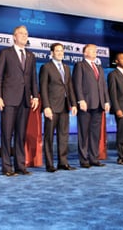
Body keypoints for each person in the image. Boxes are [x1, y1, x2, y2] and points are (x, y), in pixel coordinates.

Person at [0, 25, 39, 176]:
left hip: (25, 100)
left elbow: (33, 78)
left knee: (21, 134)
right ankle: (7, 167)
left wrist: (36, 96)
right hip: (8, 99)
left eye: (26, 34)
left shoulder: (31, 56)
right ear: (14, 36)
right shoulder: (6, 53)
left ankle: (20, 166)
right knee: (7, 134)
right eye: (21, 34)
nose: (24, 36)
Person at [39, 43, 78, 172]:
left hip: (65, 107)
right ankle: (50, 164)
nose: (60, 53)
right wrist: (46, 106)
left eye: (62, 51)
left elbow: (70, 87)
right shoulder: (46, 67)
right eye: (57, 51)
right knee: (49, 136)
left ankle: (63, 162)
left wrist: (73, 104)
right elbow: (43, 88)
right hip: (52, 107)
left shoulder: (67, 68)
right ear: (52, 53)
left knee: (63, 136)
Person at [73, 44, 110, 168]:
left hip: (99, 104)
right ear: (85, 53)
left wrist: (106, 101)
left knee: (95, 133)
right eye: (93, 51)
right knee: (84, 133)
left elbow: (104, 86)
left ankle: (94, 158)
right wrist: (80, 100)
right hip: (86, 104)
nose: (95, 53)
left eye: (96, 51)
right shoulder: (80, 65)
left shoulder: (99, 67)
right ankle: (84, 159)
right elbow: (77, 84)